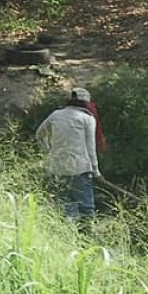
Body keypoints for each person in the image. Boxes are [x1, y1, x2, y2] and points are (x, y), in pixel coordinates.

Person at [35, 87, 101, 220]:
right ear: (86, 103)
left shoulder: (56, 115)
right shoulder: (87, 119)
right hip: (80, 169)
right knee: (86, 208)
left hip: (57, 168)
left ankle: (69, 237)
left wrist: (49, 151)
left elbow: (39, 135)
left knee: (66, 208)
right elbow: (91, 148)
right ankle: (86, 237)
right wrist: (95, 170)